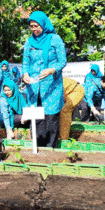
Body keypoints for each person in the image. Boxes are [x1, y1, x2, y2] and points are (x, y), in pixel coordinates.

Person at [22, 11, 67, 148]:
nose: (34, 29)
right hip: (34, 87)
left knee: (51, 118)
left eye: (36, 26)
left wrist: (52, 70)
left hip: (52, 85)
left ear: (43, 24)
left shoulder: (55, 39)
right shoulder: (29, 42)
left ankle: (51, 149)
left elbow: (62, 61)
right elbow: (25, 63)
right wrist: (25, 74)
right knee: (37, 118)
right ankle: (37, 148)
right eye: (31, 26)